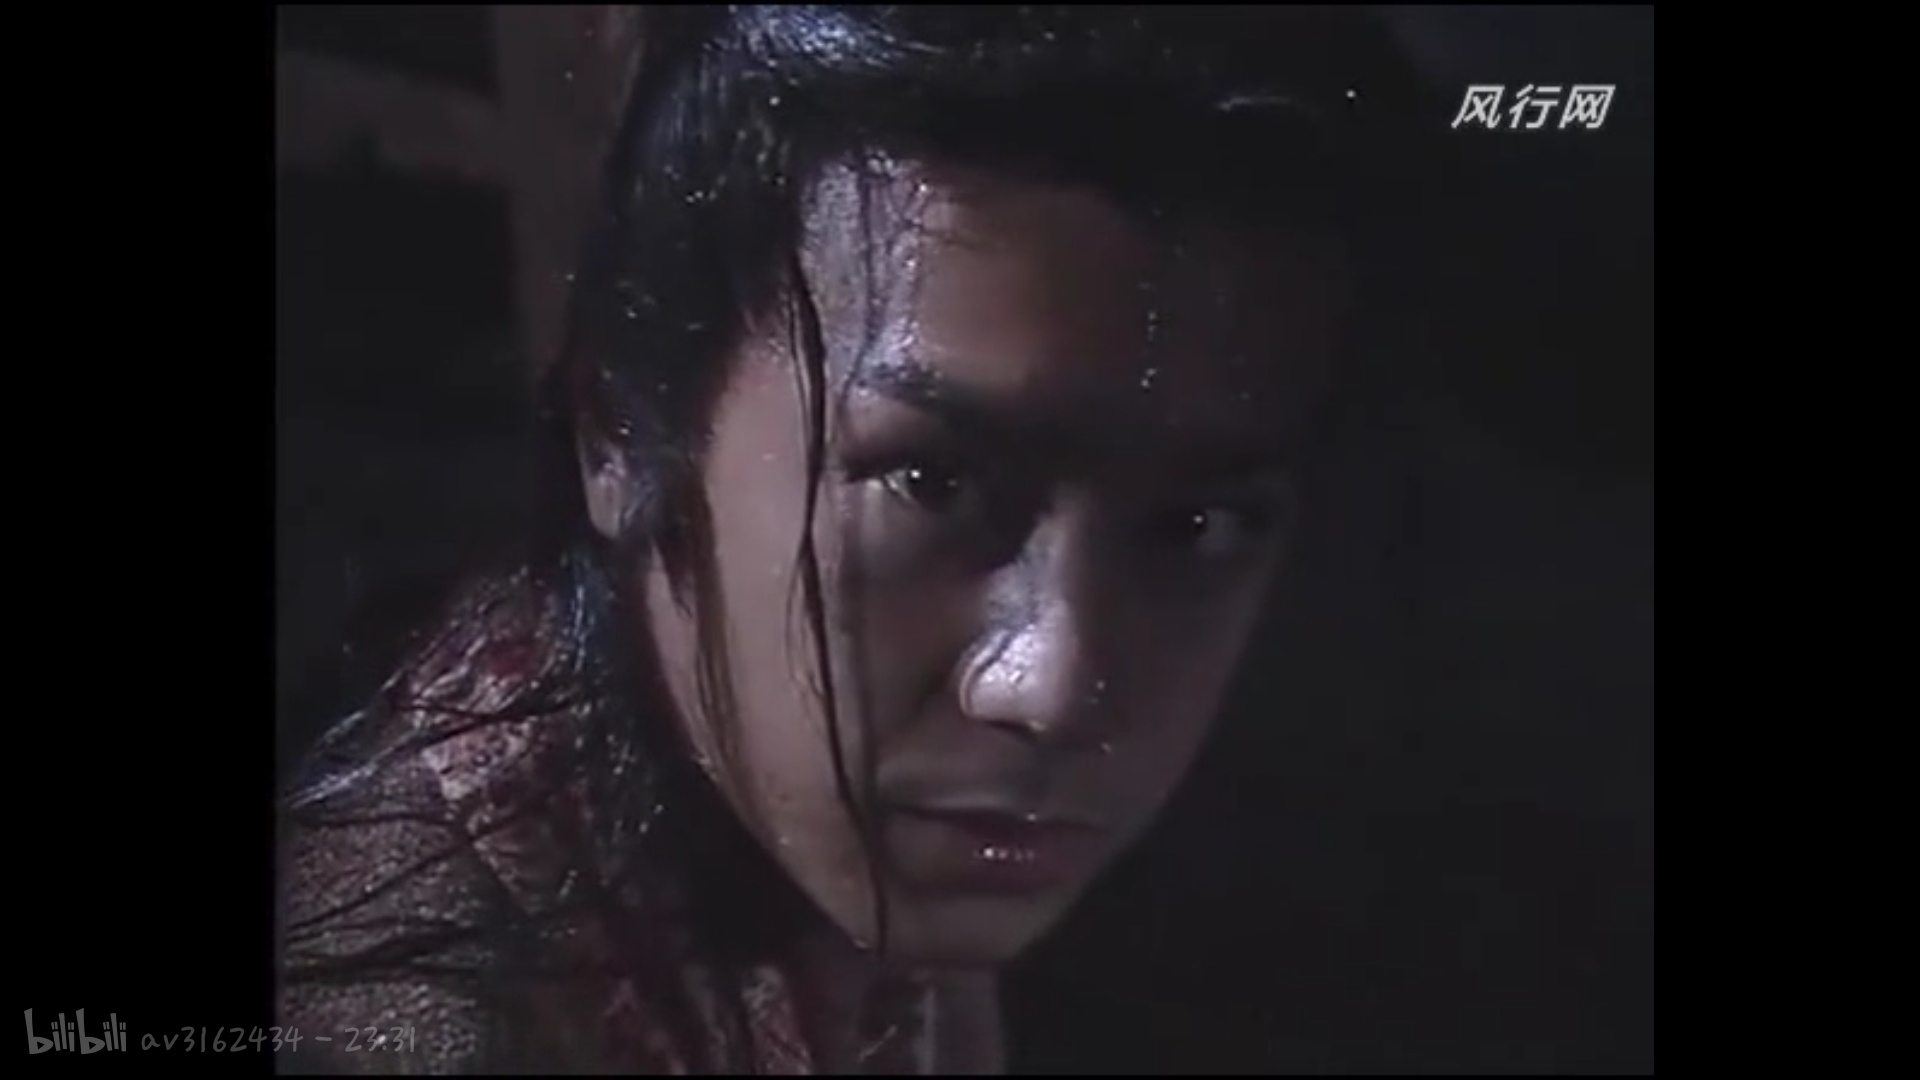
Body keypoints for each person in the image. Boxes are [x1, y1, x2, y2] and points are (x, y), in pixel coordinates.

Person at [277, 6, 1421, 1073]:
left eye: (1198, 524)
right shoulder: (388, 1026)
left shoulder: (840, 847)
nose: (1055, 688)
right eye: (932, 482)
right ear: (620, 431)